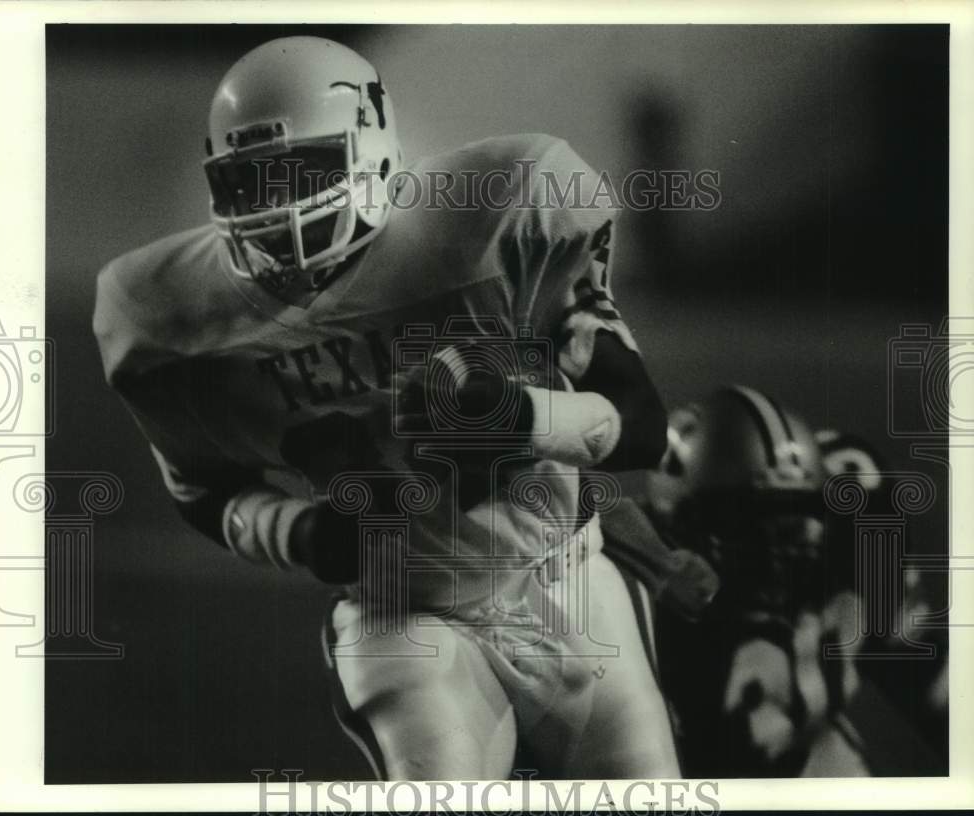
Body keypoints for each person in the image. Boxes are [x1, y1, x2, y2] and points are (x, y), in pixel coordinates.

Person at [93, 36, 678, 779]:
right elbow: (202, 488)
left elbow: (638, 423)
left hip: (565, 581)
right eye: (251, 185)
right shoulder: (165, 315)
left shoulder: (495, 218)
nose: (278, 208)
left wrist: (522, 418)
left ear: (370, 149)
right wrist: (298, 531)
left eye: (301, 173)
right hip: (400, 615)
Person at [613, 385, 942, 777]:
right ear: (676, 528)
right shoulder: (626, 582)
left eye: (789, 517)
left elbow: (936, 686)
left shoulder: (850, 547)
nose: (774, 546)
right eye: (745, 524)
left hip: (815, 772)